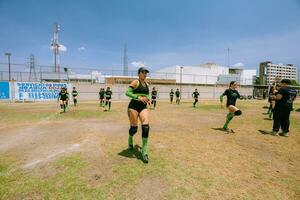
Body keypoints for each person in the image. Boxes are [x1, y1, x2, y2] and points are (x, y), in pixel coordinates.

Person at [125, 67, 151, 163]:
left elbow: (148, 95)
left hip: (143, 107)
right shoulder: (136, 82)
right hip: (133, 106)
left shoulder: (147, 84)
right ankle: (130, 139)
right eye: (143, 72)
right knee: (134, 129)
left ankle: (144, 151)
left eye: (146, 73)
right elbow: (127, 92)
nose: (145, 74)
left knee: (146, 127)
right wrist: (138, 97)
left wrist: (148, 99)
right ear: (139, 74)